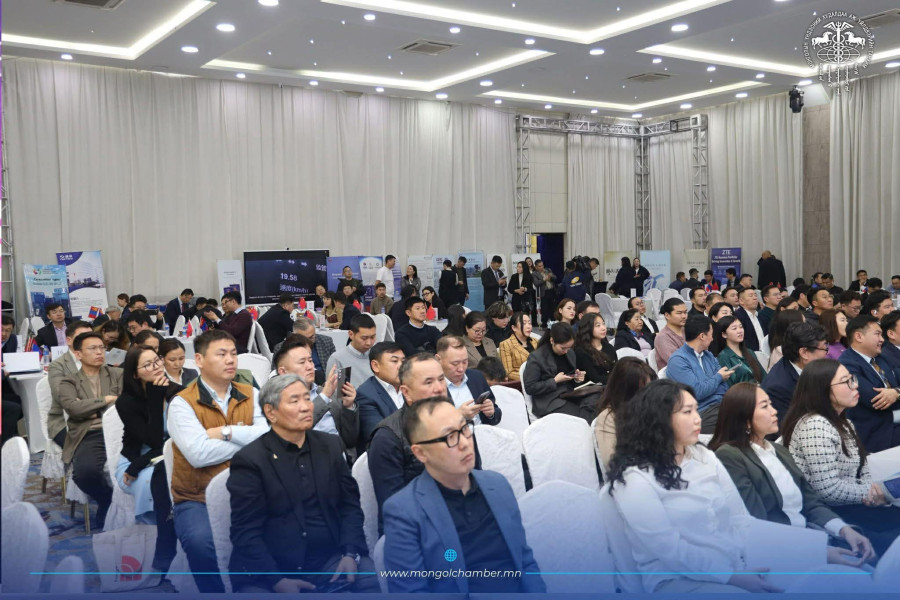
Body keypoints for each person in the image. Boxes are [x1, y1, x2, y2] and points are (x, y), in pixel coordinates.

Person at [606, 380, 781, 594]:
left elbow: (740, 519)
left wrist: (812, 552)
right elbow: (669, 548)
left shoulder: (704, 456)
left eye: (696, 410)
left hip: (734, 567)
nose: (698, 419)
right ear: (660, 419)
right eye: (687, 412)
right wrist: (731, 576)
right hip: (677, 581)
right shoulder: (635, 478)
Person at [228, 375, 378, 594]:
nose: (306, 407)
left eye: (307, 398)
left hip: (329, 558)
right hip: (271, 570)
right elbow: (245, 532)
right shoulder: (251, 460)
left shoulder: (330, 445)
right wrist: (277, 581)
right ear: (271, 412)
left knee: (370, 582)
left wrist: (350, 553)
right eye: (294, 401)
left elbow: (350, 506)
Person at [382, 397, 544, 594]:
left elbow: (525, 561)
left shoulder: (497, 485)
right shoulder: (404, 512)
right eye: (450, 436)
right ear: (420, 453)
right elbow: (411, 591)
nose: (465, 443)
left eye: (465, 428)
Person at [709, 383, 875, 567]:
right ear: (746, 420)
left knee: (875, 564)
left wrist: (843, 530)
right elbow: (756, 522)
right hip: (781, 553)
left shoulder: (778, 450)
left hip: (813, 538)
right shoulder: (730, 455)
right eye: (764, 406)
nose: (774, 411)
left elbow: (810, 502)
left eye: (771, 404)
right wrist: (818, 552)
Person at [166, 330, 269, 592]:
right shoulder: (182, 403)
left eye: (233, 354)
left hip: (251, 490)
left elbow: (267, 438)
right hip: (196, 497)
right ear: (200, 360)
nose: (230, 360)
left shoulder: (251, 393)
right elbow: (199, 455)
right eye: (221, 354)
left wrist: (226, 432)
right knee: (200, 542)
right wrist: (247, 442)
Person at [782, 359, 900, 556]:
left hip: (856, 504)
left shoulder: (842, 421)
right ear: (823, 390)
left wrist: (874, 493)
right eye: (846, 382)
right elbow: (827, 491)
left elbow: (862, 469)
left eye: (852, 379)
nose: (855, 386)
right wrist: (874, 492)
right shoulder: (816, 425)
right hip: (833, 514)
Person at [115, 344, 180, 571]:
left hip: (160, 457)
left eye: (157, 361)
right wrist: (154, 397)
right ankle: (159, 545)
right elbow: (154, 441)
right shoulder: (126, 402)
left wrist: (139, 464)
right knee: (156, 481)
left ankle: (175, 546)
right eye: (148, 365)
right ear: (135, 374)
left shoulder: (177, 392)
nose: (156, 367)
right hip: (137, 459)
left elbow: (178, 440)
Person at [368, 354, 449, 533]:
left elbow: (474, 478)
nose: (439, 388)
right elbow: (396, 509)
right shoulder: (387, 437)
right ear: (406, 392)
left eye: (441, 379)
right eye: (428, 382)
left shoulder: (456, 422)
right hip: (417, 531)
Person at [58, 332, 124, 529]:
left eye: (102, 348)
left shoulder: (117, 374)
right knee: (84, 474)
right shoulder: (69, 381)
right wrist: (106, 400)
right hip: (91, 433)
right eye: (93, 348)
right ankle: (107, 500)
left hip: (121, 430)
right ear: (78, 354)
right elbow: (73, 408)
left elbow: (126, 403)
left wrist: (89, 407)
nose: (99, 352)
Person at [273, 336, 359, 451]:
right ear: (283, 371)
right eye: (302, 362)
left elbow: (350, 440)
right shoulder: (277, 400)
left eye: (310, 361)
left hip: (339, 456)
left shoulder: (327, 393)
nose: (310, 367)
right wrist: (324, 397)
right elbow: (295, 431)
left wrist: (348, 407)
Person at [838, 315, 900, 452]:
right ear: (859, 336)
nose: (882, 339)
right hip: (876, 430)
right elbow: (876, 400)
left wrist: (896, 392)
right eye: (877, 334)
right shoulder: (846, 365)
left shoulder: (881, 358)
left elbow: (894, 391)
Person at [666, 314, 733, 433]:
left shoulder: (708, 355)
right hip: (701, 412)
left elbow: (723, 387)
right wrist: (718, 377)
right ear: (702, 336)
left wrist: (714, 383)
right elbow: (696, 392)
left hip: (721, 405)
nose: (712, 339)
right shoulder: (678, 360)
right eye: (711, 335)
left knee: (751, 409)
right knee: (738, 420)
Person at [522, 323, 600, 421]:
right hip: (549, 400)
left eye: (569, 347)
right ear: (552, 341)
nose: (566, 351)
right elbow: (530, 387)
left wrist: (576, 378)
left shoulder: (570, 353)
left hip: (568, 394)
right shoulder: (536, 357)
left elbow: (569, 378)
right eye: (563, 348)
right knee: (581, 416)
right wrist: (554, 381)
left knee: (598, 401)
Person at [593, 357, 656, 471]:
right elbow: (612, 461)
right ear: (626, 391)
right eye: (642, 390)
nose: (648, 395)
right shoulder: (608, 418)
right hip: (636, 473)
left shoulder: (651, 407)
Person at [761, 321, 828, 426]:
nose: (826, 353)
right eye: (824, 348)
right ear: (804, 353)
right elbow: (786, 428)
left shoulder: (808, 368)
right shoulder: (778, 388)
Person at [47, 321, 94, 448]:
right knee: (89, 447)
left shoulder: (98, 360)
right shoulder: (58, 365)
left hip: (98, 417)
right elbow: (62, 395)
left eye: (91, 336)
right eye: (82, 337)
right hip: (65, 421)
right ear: (69, 340)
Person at [436, 336, 501, 427]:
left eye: (465, 362)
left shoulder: (476, 377)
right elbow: (429, 426)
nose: (461, 368)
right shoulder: (432, 387)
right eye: (455, 363)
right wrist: (458, 416)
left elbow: (495, 414)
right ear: (439, 359)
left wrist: (491, 413)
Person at [355, 342, 405, 447]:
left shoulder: (410, 386)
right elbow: (379, 436)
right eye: (394, 361)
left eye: (403, 361)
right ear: (376, 366)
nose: (401, 366)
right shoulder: (365, 394)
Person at [325, 313, 377, 388]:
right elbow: (335, 392)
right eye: (364, 338)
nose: (369, 343)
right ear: (351, 334)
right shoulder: (338, 359)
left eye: (372, 337)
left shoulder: (377, 356)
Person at [710, 316, 766, 385]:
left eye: (741, 327)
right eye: (734, 328)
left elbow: (764, 376)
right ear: (724, 334)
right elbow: (729, 384)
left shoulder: (749, 352)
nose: (739, 331)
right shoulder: (723, 356)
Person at [280, 318, 336, 385]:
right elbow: (277, 375)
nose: (308, 341)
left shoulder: (326, 341)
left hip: (325, 382)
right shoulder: (282, 347)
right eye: (303, 338)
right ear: (294, 335)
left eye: (312, 336)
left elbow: (335, 366)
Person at [574, 313, 617, 385]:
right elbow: (594, 378)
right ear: (587, 328)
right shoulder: (581, 351)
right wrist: (617, 377)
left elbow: (617, 369)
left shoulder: (609, 347)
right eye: (598, 325)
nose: (603, 328)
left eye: (603, 324)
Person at [499, 312, 535, 381]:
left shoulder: (536, 341)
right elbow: (508, 373)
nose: (528, 326)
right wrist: (532, 377)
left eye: (529, 323)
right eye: (524, 324)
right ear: (514, 328)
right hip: (520, 382)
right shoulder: (506, 344)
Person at [655, 298, 688, 370]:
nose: (684, 316)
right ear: (667, 315)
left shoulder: (687, 331)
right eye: (679, 313)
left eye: (685, 312)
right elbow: (677, 363)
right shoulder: (663, 337)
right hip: (675, 374)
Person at [734, 287, 764, 352]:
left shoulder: (759, 315)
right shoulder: (738, 317)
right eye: (750, 296)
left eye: (755, 295)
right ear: (741, 301)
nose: (755, 298)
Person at [533, 259, 557, 327]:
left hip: (551, 291)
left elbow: (555, 278)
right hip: (543, 293)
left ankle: (553, 322)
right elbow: (536, 283)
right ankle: (544, 324)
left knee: (552, 308)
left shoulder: (548, 270)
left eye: (542, 265)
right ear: (536, 267)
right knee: (544, 309)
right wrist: (544, 279)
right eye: (539, 266)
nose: (542, 267)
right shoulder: (534, 274)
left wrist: (551, 277)